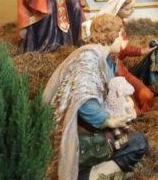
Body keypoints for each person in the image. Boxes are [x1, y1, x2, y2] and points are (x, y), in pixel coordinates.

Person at [44, 14, 149, 180]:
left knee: (134, 140)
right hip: (83, 131)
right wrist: (109, 121)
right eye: (121, 35)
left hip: (94, 126)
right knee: (138, 143)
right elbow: (84, 101)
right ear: (111, 35)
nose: (123, 40)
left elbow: (111, 88)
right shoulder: (89, 59)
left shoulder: (104, 58)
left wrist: (125, 101)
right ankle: (91, 175)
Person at [100, 0, 158, 114]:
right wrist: (141, 51)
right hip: (113, 70)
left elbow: (123, 48)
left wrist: (141, 51)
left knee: (146, 95)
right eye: (128, 9)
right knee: (130, 105)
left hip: (120, 67)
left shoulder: (120, 22)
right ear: (118, 8)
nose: (132, 11)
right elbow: (122, 49)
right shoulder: (111, 25)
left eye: (133, 8)